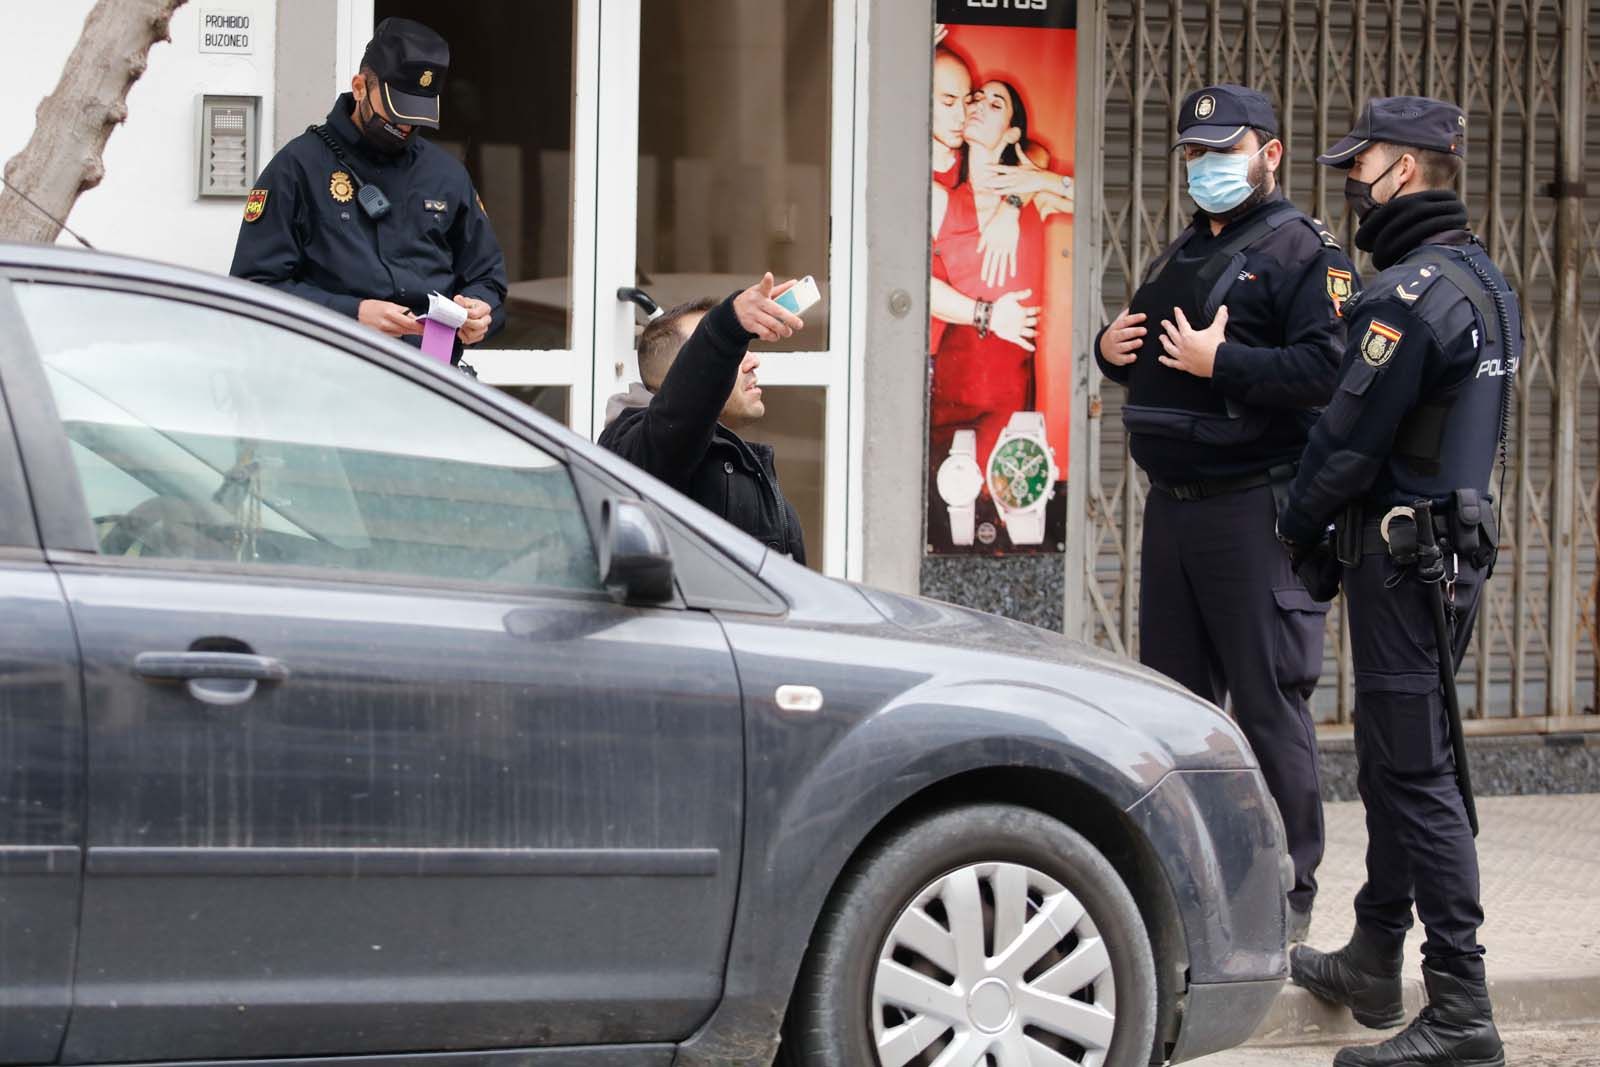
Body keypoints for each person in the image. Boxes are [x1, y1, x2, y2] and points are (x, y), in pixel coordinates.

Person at [1277, 97, 1518, 1067]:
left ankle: (1460, 1003)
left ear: (1405, 170)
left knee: (1418, 774)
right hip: (1443, 558)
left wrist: (1292, 523)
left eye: (1359, 164)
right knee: (1394, 754)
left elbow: (1343, 440)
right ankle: (1375, 951)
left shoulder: (1406, 298)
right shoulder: (1484, 279)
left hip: (1399, 557)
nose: (1349, 182)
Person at [1093, 84, 1359, 941]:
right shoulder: (1186, 248)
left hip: (1253, 509)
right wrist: (1110, 352)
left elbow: (1329, 371)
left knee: (1267, 700)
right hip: (1172, 512)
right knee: (1174, 704)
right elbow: (1155, 354)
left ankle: (1287, 893)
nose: (1206, 166)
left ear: (1269, 152)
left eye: (1223, 149)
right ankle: (1185, 882)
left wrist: (1226, 362)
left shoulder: (1305, 251)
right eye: (1195, 153)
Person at [230, 17, 507, 368]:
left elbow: (489, 280)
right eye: (395, 112)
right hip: (327, 386)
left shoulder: (447, 175)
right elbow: (253, 291)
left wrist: (482, 310)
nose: (405, 127)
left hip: (432, 388)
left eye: (416, 116)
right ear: (360, 87)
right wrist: (354, 314)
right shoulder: (297, 168)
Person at [600, 274, 808, 564]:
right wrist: (727, 326)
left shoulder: (730, 455)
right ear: (682, 377)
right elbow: (678, 421)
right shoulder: (640, 447)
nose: (752, 361)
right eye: (729, 353)